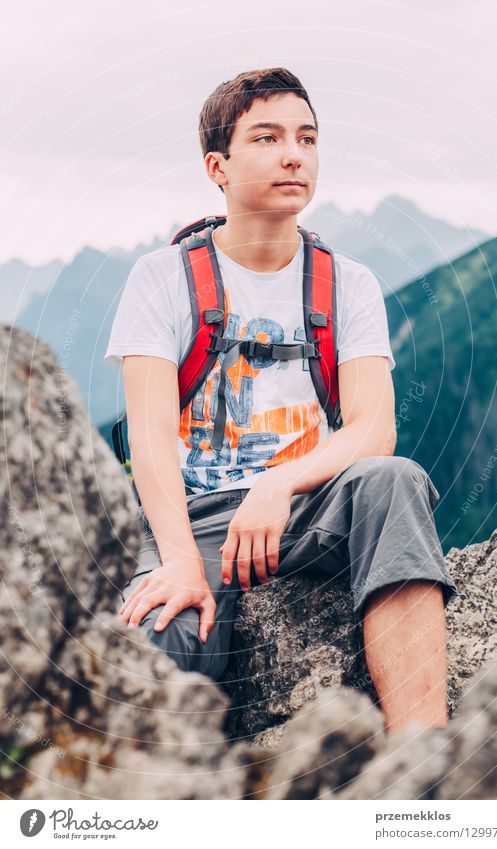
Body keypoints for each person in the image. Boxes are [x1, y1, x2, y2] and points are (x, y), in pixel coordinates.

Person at [104, 67, 462, 733]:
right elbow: (149, 438)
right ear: (217, 165)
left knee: (394, 481)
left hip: (305, 506)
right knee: (161, 642)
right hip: (196, 519)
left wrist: (279, 483)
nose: (293, 154)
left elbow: (372, 430)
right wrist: (180, 561)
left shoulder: (347, 285)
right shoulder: (162, 278)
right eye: (266, 137)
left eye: (307, 137)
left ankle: (424, 757)